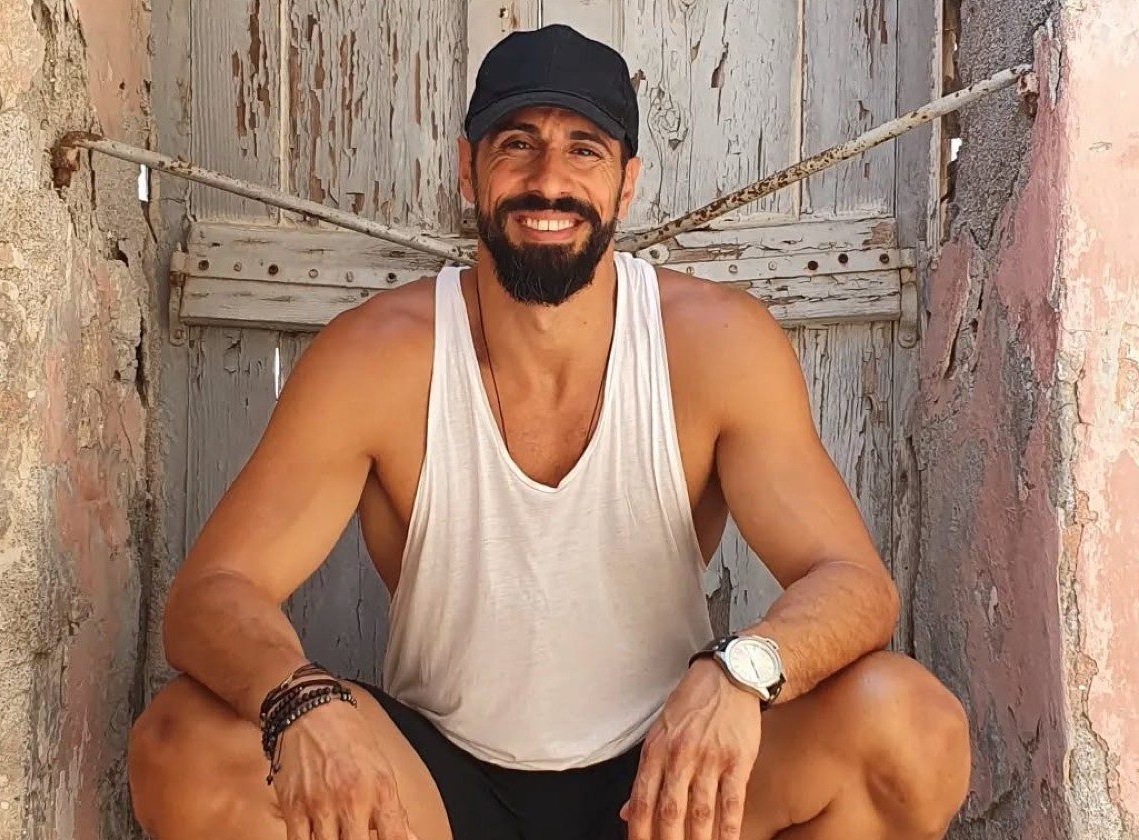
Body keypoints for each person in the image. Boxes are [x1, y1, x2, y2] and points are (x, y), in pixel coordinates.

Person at [128, 23, 971, 840]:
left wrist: (744, 672)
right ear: (468, 168)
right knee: (182, 749)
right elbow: (210, 595)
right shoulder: (375, 358)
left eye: (584, 150)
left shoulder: (716, 345)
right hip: (435, 786)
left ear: (627, 183)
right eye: (517, 144)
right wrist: (298, 699)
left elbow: (855, 584)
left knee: (911, 730)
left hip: (663, 784)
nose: (548, 181)